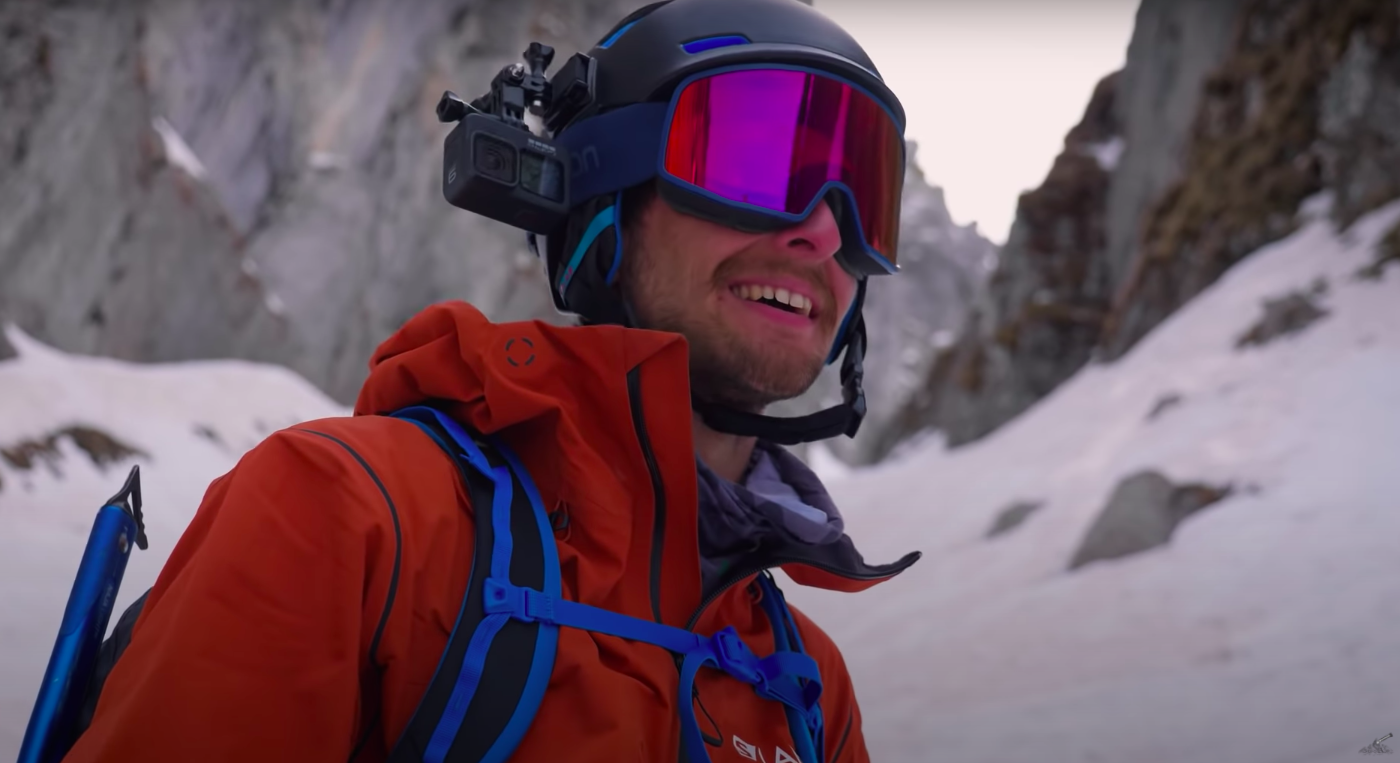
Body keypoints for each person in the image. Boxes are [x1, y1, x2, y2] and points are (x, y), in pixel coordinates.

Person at [62, 0, 919, 761]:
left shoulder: (805, 686)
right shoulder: (346, 513)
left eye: (863, 195)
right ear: (606, 194)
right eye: (754, 159)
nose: (819, 227)